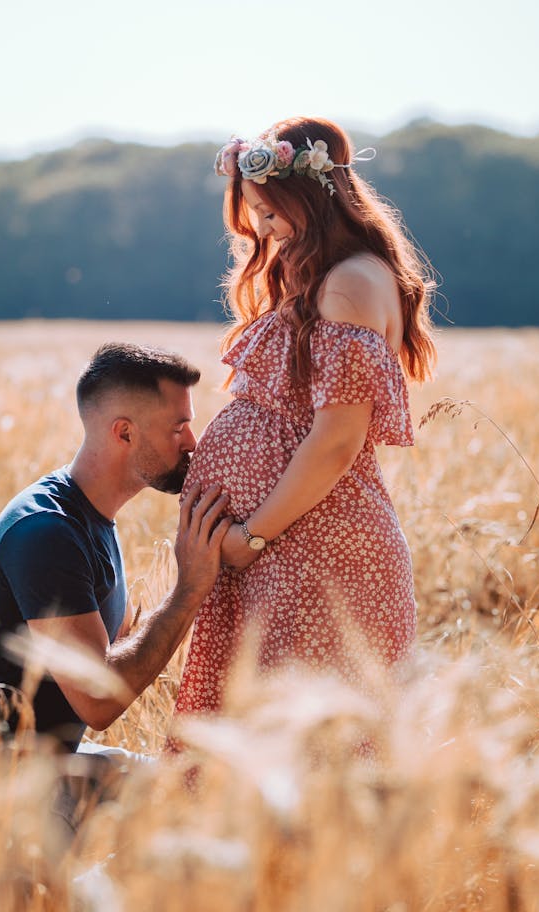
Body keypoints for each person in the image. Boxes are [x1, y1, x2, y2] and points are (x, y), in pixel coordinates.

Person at [169, 117, 437, 730]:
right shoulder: (332, 278)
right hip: (290, 551)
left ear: (309, 195)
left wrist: (251, 536)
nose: (262, 232)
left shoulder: (347, 285)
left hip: (318, 553)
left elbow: (337, 441)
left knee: (306, 759)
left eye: (267, 212)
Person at [0, 342, 232, 756]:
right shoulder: (46, 533)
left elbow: (120, 650)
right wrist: (189, 589)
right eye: (178, 427)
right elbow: (99, 700)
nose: (192, 442)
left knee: (187, 789)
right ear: (124, 432)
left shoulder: (91, 515)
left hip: (41, 762)